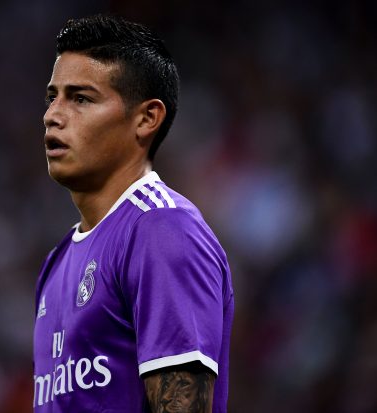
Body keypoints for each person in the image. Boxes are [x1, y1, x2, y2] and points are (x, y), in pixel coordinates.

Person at [33, 14, 234, 413]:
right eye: (51, 97)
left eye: (81, 98)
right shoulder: (56, 262)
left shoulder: (162, 230)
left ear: (146, 119)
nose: (53, 115)